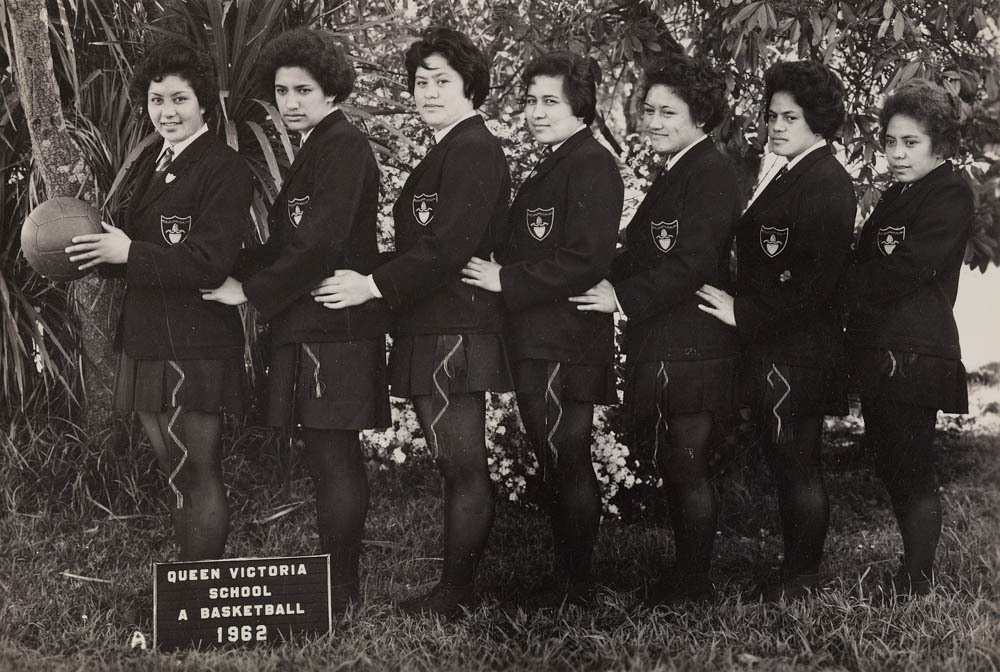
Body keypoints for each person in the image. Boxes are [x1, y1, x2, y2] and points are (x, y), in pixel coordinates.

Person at [312, 26, 512, 619]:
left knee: (462, 464)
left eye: (441, 81)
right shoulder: (446, 147)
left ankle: (455, 595)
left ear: (470, 88)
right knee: (455, 464)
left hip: (455, 329)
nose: (426, 92)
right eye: (420, 82)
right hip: (432, 326)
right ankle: (455, 589)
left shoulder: (474, 147)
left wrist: (371, 285)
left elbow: (448, 247)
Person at [200, 28, 389, 613]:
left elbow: (320, 245)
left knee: (333, 455)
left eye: (303, 89)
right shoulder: (317, 146)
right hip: (311, 326)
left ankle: (344, 591)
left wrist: (249, 291)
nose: (290, 102)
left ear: (331, 90)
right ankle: (338, 583)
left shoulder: (344, 145)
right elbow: (286, 244)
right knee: (324, 454)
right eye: (282, 91)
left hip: (335, 326)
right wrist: (211, 263)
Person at [65, 39, 253, 561]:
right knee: (174, 467)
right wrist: (86, 251)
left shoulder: (224, 167)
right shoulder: (156, 161)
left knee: (197, 468)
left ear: (204, 102)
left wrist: (127, 251)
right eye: (156, 100)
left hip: (194, 341)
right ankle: (190, 579)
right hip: (150, 335)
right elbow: (133, 250)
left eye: (179, 100)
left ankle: (203, 581)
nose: (166, 113)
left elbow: (209, 261)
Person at [571, 54, 739, 605]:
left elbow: (690, 262)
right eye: (649, 110)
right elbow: (641, 253)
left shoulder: (709, 172)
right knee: (676, 460)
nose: (654, 121)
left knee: (686, 463)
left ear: (702, 117)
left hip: (691, 345)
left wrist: (618, 297)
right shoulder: (680, 171)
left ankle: (693, 586)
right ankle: (686, 577)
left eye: (670, 112)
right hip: (668, 342)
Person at [460, 52, 623, 607]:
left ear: (581, 107)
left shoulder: (591, 163)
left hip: (565, 339)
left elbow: (585, 258)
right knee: (556, 457)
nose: (535, 111)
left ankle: (575, 587)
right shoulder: (559, 160)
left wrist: (506, 278)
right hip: (543, 337)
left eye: (549, 101)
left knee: (566, 457)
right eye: (529, 100)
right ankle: (567, 579)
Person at [696, 60, 856, 601]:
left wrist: (745, 313)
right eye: (772, 116)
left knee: (797, 464)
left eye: (791, 117)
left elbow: (820, 284)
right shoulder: (790, 172)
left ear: (819, 120)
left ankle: (802, 578)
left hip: (798, 352)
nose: (776, 126)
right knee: (787, 461)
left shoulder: (827, 182)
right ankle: (795, 571)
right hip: (776, 349)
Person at [842, 79, 973, 598]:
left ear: (938, 142)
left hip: (917, 350)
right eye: (890, 142)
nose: (896, 154)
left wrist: (834, 290)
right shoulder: (900, 192)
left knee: (912, 464)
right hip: (883, 347)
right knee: (894, 461)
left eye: (910, 143)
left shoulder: (949, 189)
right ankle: (912, 572)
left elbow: (907, 269)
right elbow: (868, 261)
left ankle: (916, 581)